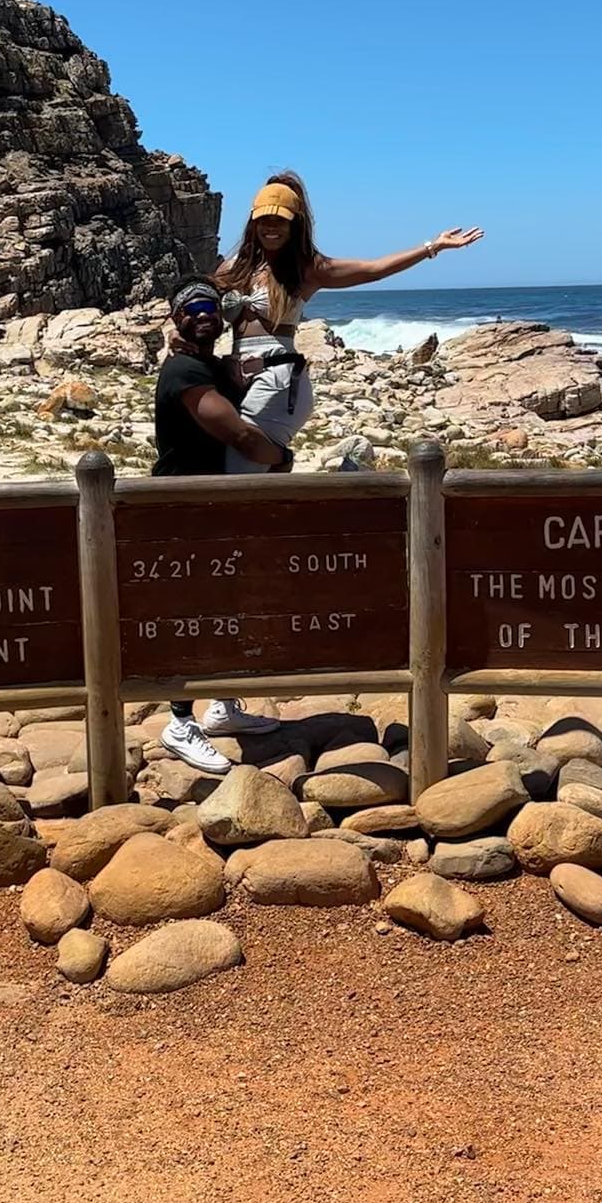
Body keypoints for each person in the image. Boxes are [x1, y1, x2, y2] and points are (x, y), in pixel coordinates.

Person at [217, 171, 483, 472]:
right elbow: (198, 303)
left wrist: (432, 247)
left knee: (239, 470)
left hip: (278, 380)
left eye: (281, 220)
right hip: (238, 381)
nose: (271, 227)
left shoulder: (308, 269)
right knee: (227, 466)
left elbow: (374, 269)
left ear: (295, 223)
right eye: (265, 219)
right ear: (253, 221)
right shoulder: (235, 268)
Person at [152, 278, 292, 773]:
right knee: (192, 612)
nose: (203, 313)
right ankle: (178, 721)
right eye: (191, 308)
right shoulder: (185, 371)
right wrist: (280, 459)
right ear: (176, 319)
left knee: (227, 604)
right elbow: (236, 431)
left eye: (210, 305)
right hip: (182, 507)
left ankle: (222, 706)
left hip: (215, 501)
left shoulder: (209, 364)